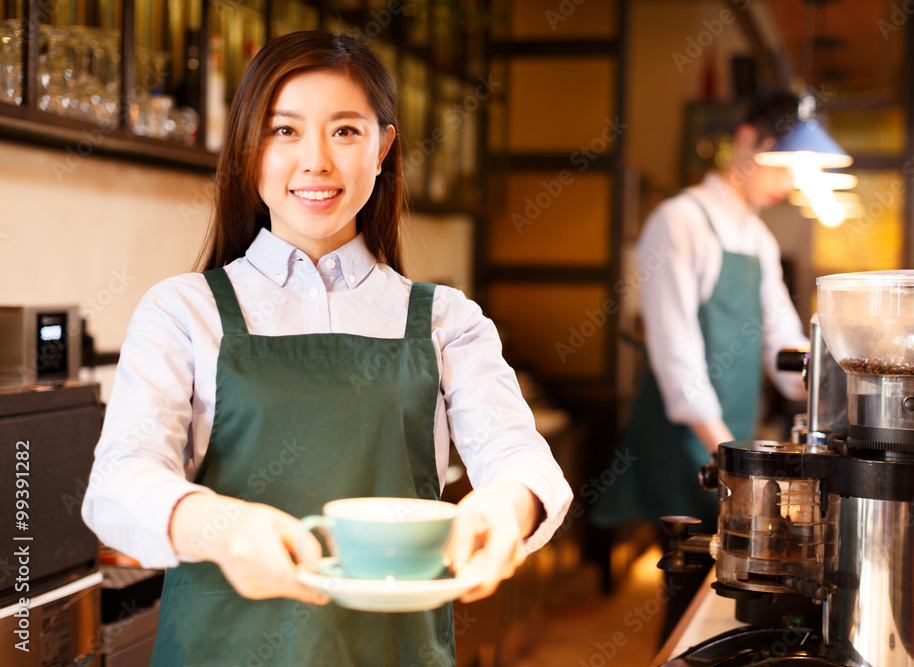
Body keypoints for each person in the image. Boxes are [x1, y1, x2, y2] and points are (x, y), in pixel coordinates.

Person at [82, 30, 572, 666]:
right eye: (284, 131)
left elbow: (520, 457)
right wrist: (223, 528)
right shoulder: (183, 310)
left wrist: (506, 509)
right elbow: (118, 483)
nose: (315, 161)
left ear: (384, 147)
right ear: (248, 147)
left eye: (345, 131)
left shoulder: (446, 320)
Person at [590, 92, 809, 636]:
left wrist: (825, 388)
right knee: (690, 574)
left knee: (724, 577)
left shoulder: (757, 238)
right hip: (686, 433)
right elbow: (675, 349)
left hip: (728, 435)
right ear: (745, 142)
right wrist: (728, 455)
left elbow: (782, 337)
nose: (789, 181)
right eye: (783, 162)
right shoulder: (680, 220)